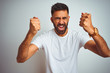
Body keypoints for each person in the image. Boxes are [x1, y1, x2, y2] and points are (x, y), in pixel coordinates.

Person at [16, 3, 110, 73]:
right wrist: (31, 33)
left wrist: (92, 31)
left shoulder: (77, 36)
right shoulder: (44, 38)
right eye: (57, 18)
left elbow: (106, 53)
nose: (61, 22)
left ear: (68, 18)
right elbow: (20, 59)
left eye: (64, 18)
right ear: (51, 19)